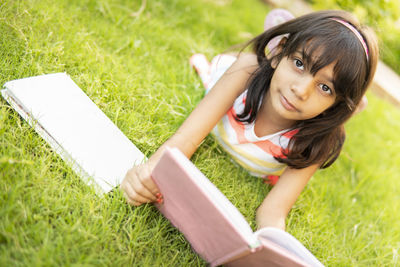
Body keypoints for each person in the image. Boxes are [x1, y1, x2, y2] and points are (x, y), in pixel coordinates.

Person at [121, 10, 379, 231]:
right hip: (237, 83)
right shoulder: (246, 71)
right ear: (279, 52)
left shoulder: (317, 141)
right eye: (299, 63)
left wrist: (269, 248)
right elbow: (186, 139)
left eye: (325, 88)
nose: (301, 90)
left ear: (335, 103)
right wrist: (148, 173)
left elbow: (274, 212)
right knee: (224, 71)